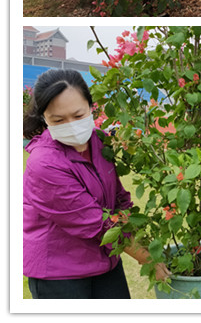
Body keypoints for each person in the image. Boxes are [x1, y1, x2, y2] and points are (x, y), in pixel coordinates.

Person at [23, 69, 168, 298]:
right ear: (44, 118)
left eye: (78, 115)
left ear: (91, 107)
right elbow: (96, 223)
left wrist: (141, 235)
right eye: (59, 120)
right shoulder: (44, 164)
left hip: (105, 262)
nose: (71, 125)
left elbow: (119, 197)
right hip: (60, 273)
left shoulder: (99, 142)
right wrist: (147, 257)